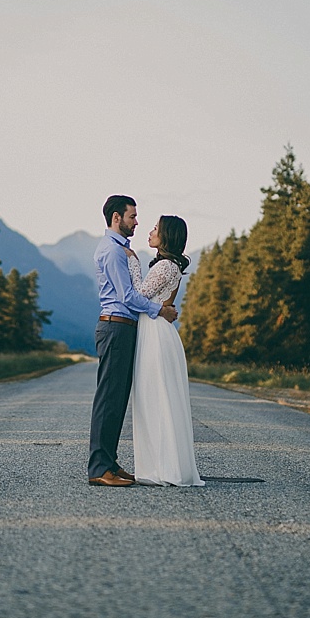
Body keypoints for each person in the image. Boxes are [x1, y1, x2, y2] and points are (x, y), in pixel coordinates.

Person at [88, 195, 178, 487]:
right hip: (115, 327)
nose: (136, 222)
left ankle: (110, 463)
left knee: (117, 399)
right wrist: (160, 310)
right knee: (109, 399)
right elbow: (127, 296)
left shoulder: (121, 250)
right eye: (132, 217)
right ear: (117, 218)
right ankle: (100, 468)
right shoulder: (113, 252)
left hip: (122, 328)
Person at [126, 215, 204, 487]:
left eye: (156, 229)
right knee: (155, 399)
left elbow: (137, 295)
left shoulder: (166, 266)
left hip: (156, 334)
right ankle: (161, 466)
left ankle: (163, 468)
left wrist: (132, 261)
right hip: (156, 330)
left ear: (166, 236)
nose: (150, 232)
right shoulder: (168, 266)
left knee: (155, 398)